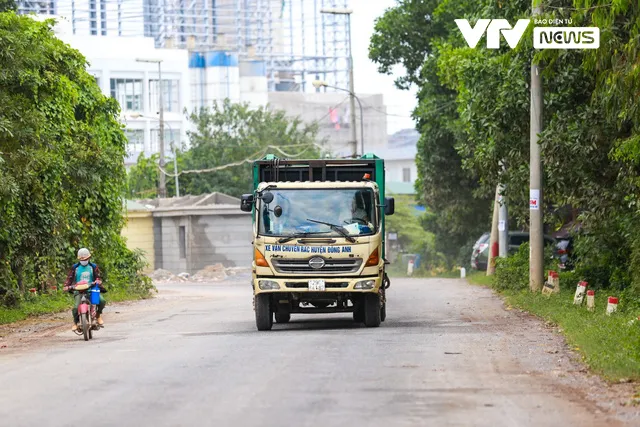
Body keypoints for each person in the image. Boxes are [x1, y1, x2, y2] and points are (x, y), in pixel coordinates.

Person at [63, 248, 107, 331]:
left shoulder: (93, 267)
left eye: (86, 259)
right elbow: (69, 278)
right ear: (78, 259)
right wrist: (66, 286)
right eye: (82, 259)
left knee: (102, 301)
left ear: (89, 258)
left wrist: (97, 281)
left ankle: (98, 315)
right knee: (76, 307)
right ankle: (75, 323)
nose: (84, 261)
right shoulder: (75, 268)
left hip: (91, 289)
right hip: (78, 290)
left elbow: (98, 277)